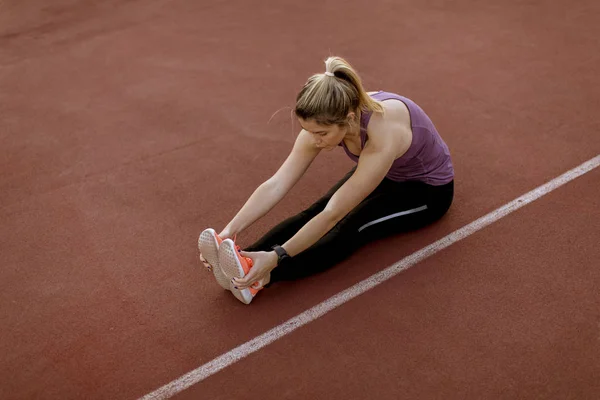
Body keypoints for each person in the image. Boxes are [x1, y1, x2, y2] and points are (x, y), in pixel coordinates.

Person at [198, 56, 454, 304]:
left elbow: (333, 214)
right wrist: (229, 232)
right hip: (385, 171)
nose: (314, 139)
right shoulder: (329, 117)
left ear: (350, 120)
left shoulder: (383, 134)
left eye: (321, 134)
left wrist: (277, 257)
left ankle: (262, 277)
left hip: (426, 191)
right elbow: (277, 184)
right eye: (308, 131)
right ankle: (243, 261)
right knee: (313, 211)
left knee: (352, 226)